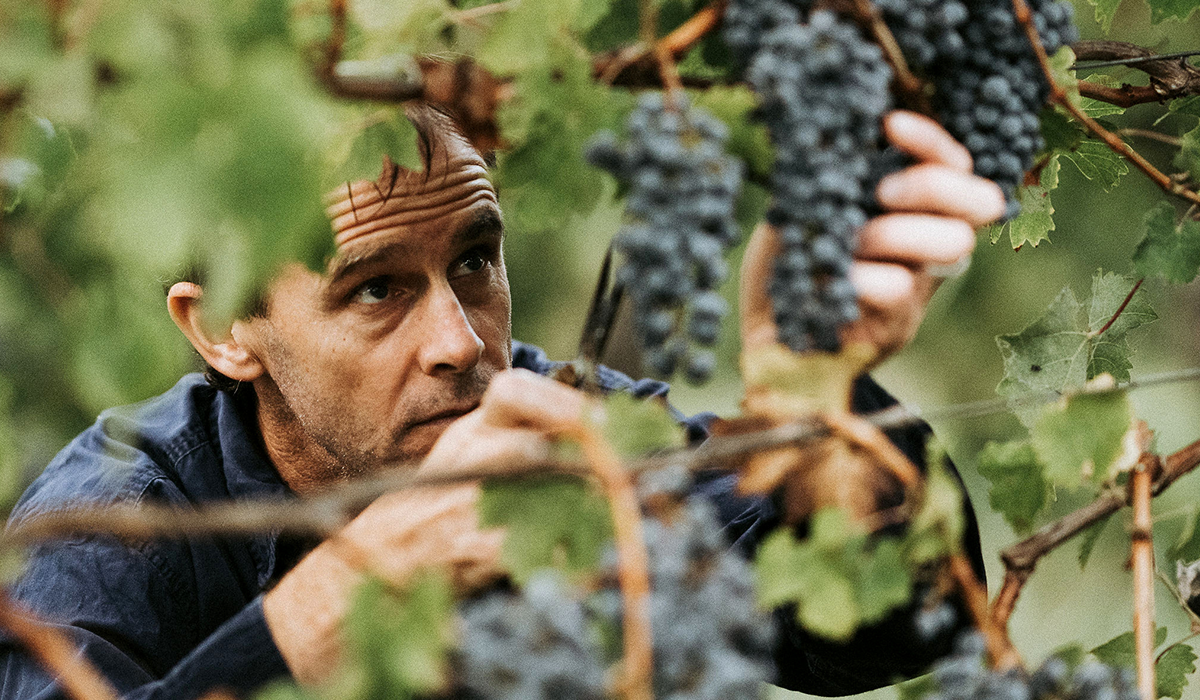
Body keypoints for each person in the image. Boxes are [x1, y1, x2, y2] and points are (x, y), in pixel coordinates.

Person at [0, 103, 1003, 699]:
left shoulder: (550, 422)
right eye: (377, 288)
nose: (461, 341)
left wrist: (813, 388)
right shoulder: (112, 519)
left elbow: (890, 628)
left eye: (475, 260)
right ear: (224, 328)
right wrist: (323, 615)